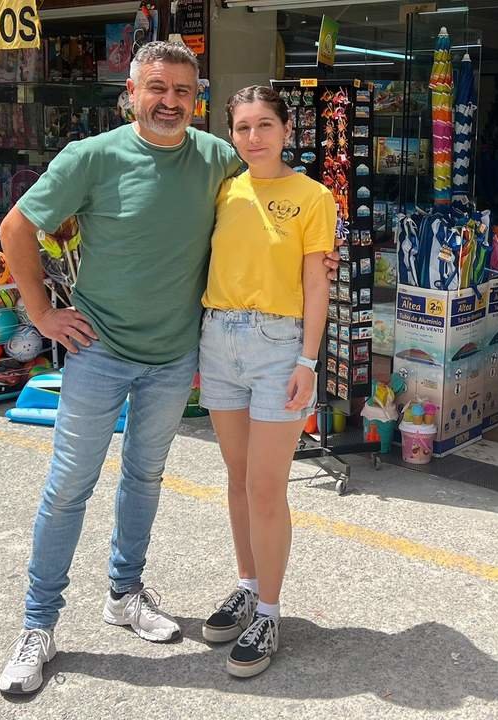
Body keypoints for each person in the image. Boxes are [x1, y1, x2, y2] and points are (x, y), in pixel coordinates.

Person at [0, 42, 241, 695]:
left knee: (144, 478)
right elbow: (16, 228)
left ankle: (124, 595)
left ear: (197, 98)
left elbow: (262, 216)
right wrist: (42, 314)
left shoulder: (216, 159)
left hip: (170, 356)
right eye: (157, 88)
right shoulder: (93, 158)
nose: (170, 102)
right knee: (69, 485)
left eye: (183, 91)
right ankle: (38, 625)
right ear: (130, 93)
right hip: (97, 350)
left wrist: (315, 254)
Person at [196, 86, 334, 678]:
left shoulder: (313, 196)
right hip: (217, 338)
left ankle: (270, 612)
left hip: (279, 346)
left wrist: (309, 361)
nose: (254, 137)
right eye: (243, 127)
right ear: (232, 134)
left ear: (286, 130)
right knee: (235, 477)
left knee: (266, 485)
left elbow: (316, 283)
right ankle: (247, 585)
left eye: (265, 125)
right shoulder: (224, 189)